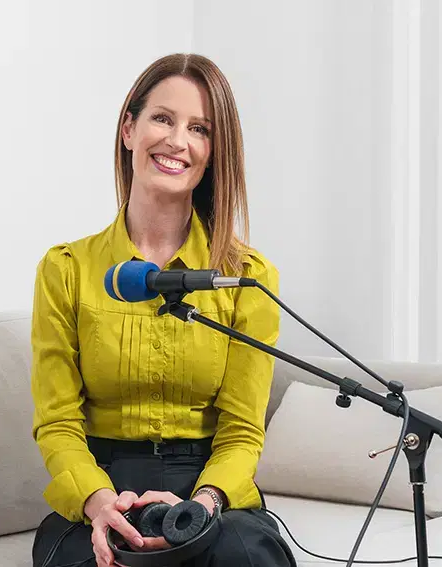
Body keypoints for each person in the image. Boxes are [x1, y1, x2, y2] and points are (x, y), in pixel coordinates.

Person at [30, 53, 296, 567]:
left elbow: (242, 430)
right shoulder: (65, 269)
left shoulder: (246, 276)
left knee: (246, 556)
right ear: (129, 129)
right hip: (104, 487)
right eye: (163, 118)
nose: (177, 141)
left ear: (213, 152)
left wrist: (202, 506)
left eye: (199, 128)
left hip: (206, 488)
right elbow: (57, 422)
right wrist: (99, 502)